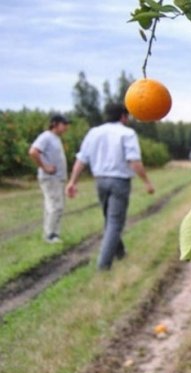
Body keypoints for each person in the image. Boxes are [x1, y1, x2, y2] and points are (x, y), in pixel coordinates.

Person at [66, 104, 155, 271]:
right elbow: (134, 161)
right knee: (114, 222)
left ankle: (120, 253)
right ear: (123, 116)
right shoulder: (127, 133)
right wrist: (147, 182)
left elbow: (81, 160)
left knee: (110, 218)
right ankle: (103, 265)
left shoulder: (94, 133)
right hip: (119, 181)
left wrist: (72, 182)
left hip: (100, 180)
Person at [29, 114, 70, 243]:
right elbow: (33, 152)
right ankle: (51, 235)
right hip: (50, 178)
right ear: (55, 124)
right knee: (55, 206)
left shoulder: (55, 138)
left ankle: (52, 233)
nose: (66, 128)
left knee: (54, 205)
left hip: (57, 178)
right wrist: (45, 167)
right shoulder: (46, 137)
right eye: (64, 124)